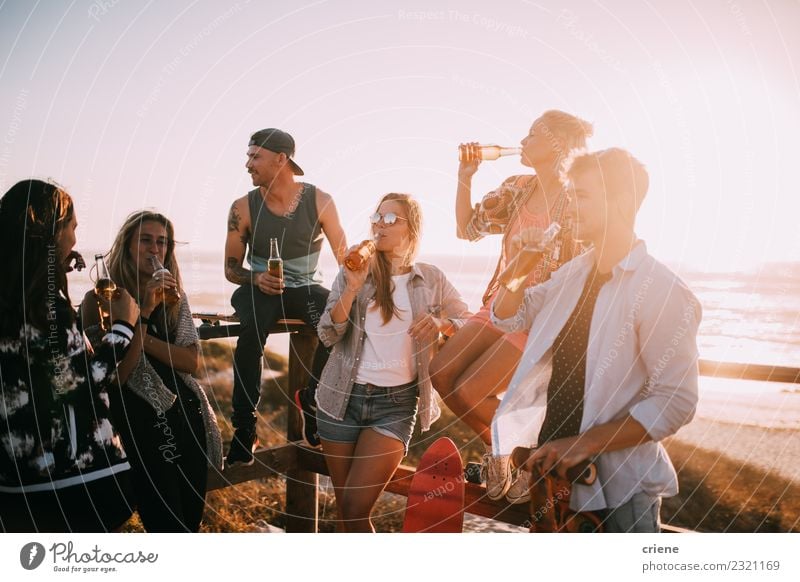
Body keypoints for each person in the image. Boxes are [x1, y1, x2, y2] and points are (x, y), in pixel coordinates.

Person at [491, 148, 701, 532]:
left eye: (582, 196)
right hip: (553, 483)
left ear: (621, 203)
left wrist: (585, 443)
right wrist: (520, 266)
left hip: (619, 490)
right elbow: (507, 315)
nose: (570, 206)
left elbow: (677, 400)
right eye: (570, 195)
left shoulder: (662, 291)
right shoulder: (573, 275)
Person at [430, 110, 593, 502]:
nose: (522, 140)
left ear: (558, 145)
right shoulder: (517, 187)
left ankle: (515, 456)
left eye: (533, 134)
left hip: (540, 318)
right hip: (502, 303)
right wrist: (465, 178)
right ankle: (511, 454)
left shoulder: (579, 203)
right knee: (440, 372)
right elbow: (466, 228)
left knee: (469, 392)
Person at [316, 193, 471, 532]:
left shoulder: (430, 278)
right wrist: (352, 288)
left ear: (411, 229)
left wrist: (443, 324)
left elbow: (468, 319)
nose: (379, 224)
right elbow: (328, 333)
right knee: (346, 511)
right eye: (376, 217)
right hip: (340, 399)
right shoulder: (354, 271)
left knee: (356, 507)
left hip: (396, 405)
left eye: (390, 219)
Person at [0, 179, 139, 532]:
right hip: (73, 482)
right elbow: (74, 385)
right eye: (71, 228)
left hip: (16, 478)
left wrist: (50, 269)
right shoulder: (46, 308)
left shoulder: (13, 299)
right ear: (49, 231)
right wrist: (124, 327)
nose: (75, 240)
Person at [81, 211, 222, 532]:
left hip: (185, 416)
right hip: (138, 423)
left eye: (162, 243)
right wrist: (142, 310)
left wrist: (139, 333)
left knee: (189, 521)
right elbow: (118, 376)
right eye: (145, 240)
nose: (155, 249)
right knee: (166, 525)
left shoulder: (175, 298)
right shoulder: (99, 300)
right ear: (127, 245)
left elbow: (190, 360)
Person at [225, 128, 347, 465]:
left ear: (281, 159)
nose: (247, 164)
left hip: (304, 290)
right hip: (258, 289)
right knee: (251, 333)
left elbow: (346, 260)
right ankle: (244, 429)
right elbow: (231, 267)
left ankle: (312, 398)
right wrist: (255, 277)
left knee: (337, 321)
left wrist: (358, 294)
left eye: (255, 157)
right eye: (248, 156)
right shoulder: (242, 208)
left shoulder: (319, 200)